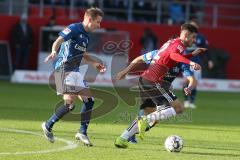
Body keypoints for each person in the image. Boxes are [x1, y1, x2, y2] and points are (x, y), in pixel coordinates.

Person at [114, 23, 206, 148]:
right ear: (185, 35)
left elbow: (172, 56)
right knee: (176, 108)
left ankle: (122, 138)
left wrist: (192, 54)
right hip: (155, 81)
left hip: (145, 80)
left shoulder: (172, 43)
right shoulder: (178, 45)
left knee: (150, 113)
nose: (194, 40)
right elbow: (174, 55)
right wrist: (190, 62)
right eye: (193, 37)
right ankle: (144, 121)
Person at [41, 7, 105, 147]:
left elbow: (82, 54)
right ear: (89, 19)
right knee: (69, 103)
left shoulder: (86, 36)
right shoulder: (74, 28)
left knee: (89, 101)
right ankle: (48, 125)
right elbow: (58, 41)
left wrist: (94, 63)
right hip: (63, 68)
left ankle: (82, 132)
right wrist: (53, 51)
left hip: (75, 71)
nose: (99, 25)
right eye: (98, 22)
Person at [115, 49, 198, 144]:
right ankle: (140, 123)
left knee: (153, 117)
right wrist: (125, 72)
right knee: (176, 108)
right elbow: (139, 58)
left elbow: (192, 79)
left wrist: (189, 88)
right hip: (153, 83)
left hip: (154, 86)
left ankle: (124, 137)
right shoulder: (158, 53)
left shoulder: (181, 62)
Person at [182, 19, 214, 109]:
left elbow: (206, 49)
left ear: (197, 27)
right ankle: (186, 100)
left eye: (194, 26)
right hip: (186, 62)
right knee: (186, 81)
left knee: (194, 82)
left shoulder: (201, 37)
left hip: (196, 63)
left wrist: (209, 60)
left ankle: (191, 101)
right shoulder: (185, 36)